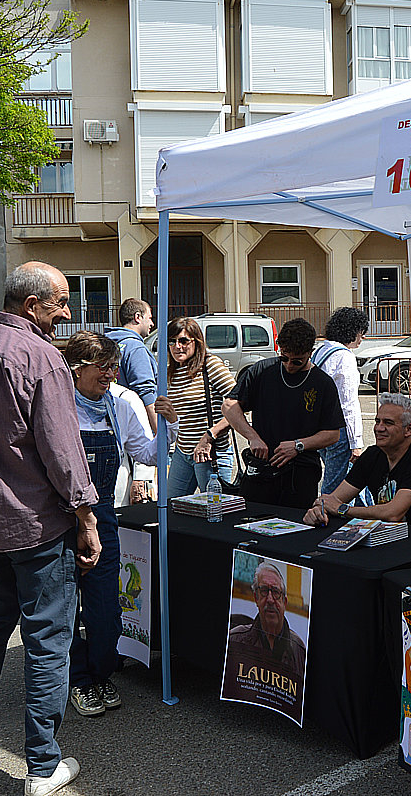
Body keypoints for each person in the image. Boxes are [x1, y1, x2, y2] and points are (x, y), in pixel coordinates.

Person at [0, 262, 99, 796]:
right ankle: (42, 765)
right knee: (47, 642)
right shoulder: (40, 356)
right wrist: (86, 516)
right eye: (61, 303)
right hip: (34, 524)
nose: (67, 314)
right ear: (31, 305)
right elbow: (62, 451)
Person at [62, 331, 171, 718]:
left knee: (106, 609)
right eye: (102, 367)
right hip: (61, 520)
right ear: (77, 369)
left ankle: (101, 673)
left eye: (114, 367)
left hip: (105, 517)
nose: (110, 374)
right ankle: (78, 679)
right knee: (64, 609)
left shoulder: (120, 405)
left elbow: (147, 453)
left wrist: (168, 425)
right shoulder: (57, 406)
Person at [222, 318, 345, 508]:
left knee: (296, 522)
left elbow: (332, 434)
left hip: (300, 473)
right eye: (284, 358)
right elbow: (229, 406)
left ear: (310, 353)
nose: (289, 365)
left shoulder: (323, 383)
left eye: (297, 361)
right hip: (261, 468)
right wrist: (253, 437)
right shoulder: (262, 370)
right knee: (250, 518)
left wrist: (298, 445)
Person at [304, 393, 411, 531]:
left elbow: (393, 513)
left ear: (409, 430)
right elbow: (334, 499)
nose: (379, 428)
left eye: (388, 423)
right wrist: (319, 509)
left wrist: (342, 509)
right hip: (392, 538)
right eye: (377, 421)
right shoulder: (373, 454)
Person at [163, 317, 236, 498]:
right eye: (172, 341)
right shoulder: (170, 372)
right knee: (172, 506)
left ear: (196, 342)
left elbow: (240, 404)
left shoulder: (210, 365)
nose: (177, 347)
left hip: (210, 453)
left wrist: (211, 435)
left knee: (214, 508)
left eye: (183, 341)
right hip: (183, 451)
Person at [312, 307, 369, 494]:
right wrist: (356, 443)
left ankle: (365, 511)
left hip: (319, 427)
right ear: (352, 331)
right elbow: (348, 403)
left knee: (351, 482)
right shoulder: (345, 357)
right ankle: (324, 510)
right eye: (361, 332)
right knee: (336, 488)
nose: (363, 337)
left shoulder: (320, 351)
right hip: (339, 430)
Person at [225, 561, 307, 674]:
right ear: (256, 598)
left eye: (276, 592)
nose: (270, 599)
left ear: (284, 602)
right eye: (264, 591)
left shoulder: (299, 650)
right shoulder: (234, 640)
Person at [105, 297, 159, 433]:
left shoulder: (108, 344)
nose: (152, 324)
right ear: (138, 317)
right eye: (149, 318)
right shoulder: (135, 348)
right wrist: (159, 432)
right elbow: (146, 392)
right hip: (136, 426)